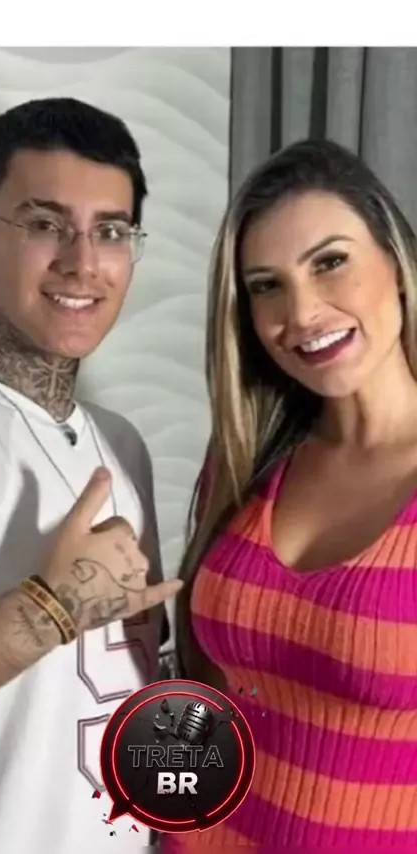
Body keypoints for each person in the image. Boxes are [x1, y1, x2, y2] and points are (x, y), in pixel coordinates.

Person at [0, 97, 181, 854]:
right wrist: (50, 608)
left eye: (110, 231)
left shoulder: (125, 447)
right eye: (45, 224)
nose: (82, 262)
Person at [162, 138, 417, 850]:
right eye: (266, 286)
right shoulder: (246, 458)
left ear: (396, 262)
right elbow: (208, 692)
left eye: (330, 262)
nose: (301, 313)